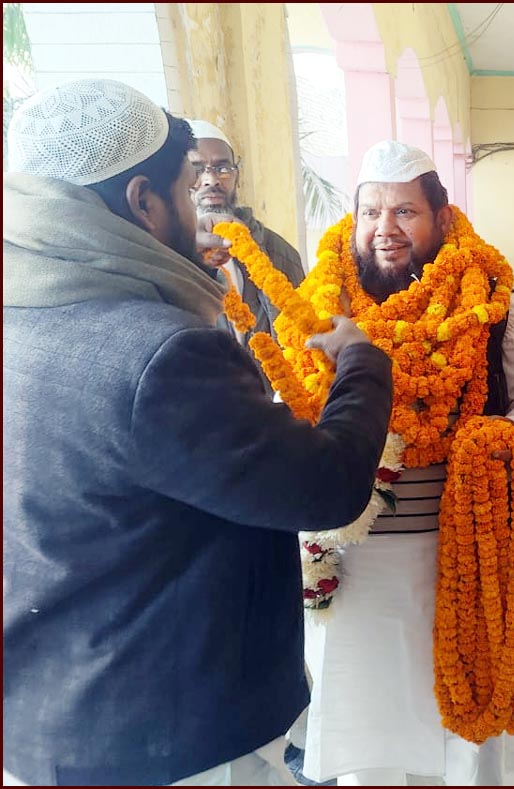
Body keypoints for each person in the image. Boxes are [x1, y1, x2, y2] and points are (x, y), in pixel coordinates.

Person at [2, 79, 393, 786]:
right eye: (187, 189)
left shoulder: (20, 309)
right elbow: (328, 486)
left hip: (47, 711)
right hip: (170, 729)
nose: (201, 205)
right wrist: (363, 362)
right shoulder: (161, 351)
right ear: (143, 202)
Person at [296, 140, 514, 786]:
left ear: (440, 215)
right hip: (355, 557)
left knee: (461, 724)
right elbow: (291, 400)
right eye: (371, 212)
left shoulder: (492, 300)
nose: (385, 228)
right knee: (367, 730)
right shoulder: (321, 305)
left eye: (404, 211)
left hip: (459, 548)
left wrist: (500, 438)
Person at [187, 118, 308, 394]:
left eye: (223, 168)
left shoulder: (280, 252)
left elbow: (301, 337)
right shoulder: (169, 254)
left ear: (237, 176)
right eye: (197, 169)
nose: (211, 180)